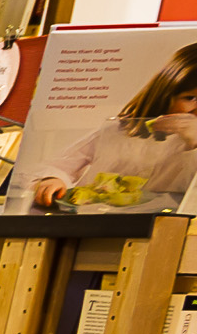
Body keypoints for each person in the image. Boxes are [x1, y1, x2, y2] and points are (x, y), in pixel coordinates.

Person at [28, 42, 197, 214]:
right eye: (191, 98)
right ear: (164, 94)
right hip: (90, 217)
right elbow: (60, 164)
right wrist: (52, 179)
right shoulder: (120, 131)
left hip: (160, 224)